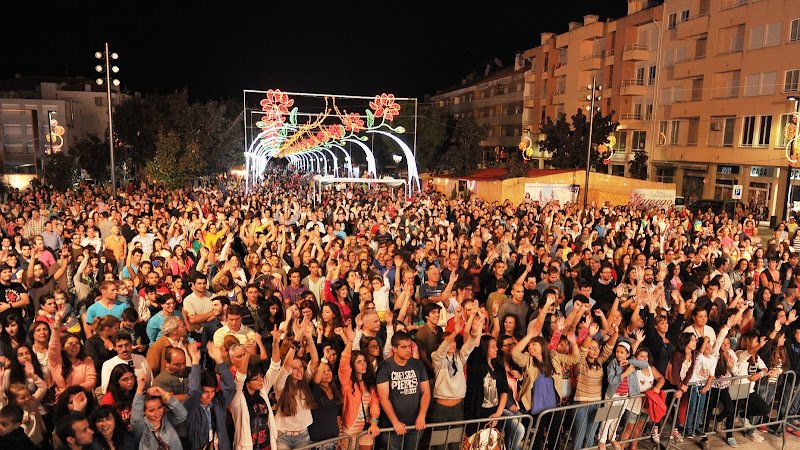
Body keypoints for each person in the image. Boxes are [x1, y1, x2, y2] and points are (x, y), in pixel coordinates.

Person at [230, 326, 283, 450]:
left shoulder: (262, 390)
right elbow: (240, 378)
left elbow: (275, 367)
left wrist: (275, 344)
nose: (261, 380)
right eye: (256, 378)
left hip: (268, 445)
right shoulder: (238, 398)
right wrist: (247, 353)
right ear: (248, 383)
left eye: (261, 377)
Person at [376, 330, 430, 450]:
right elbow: (383, 397)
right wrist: (395, 422)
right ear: (394, 348)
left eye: (409, 346)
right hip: (392, 425)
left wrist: (422, 416)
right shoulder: (385, 367)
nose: (408, 350)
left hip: (415, 423)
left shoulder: (418, 364)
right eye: (404, 347)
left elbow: (426, 392)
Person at [182, 342, 236, 450]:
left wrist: (219, 360)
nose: (209, 396)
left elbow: (230, 388)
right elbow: (195, 392)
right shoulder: (191, 407)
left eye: (212, 391)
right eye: (205, 392)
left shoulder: (218, 403)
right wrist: (195, 361)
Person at [130, 370, 188, 450]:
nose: (157, 413)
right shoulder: (141, 427)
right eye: (151, 410)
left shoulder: (167, 419)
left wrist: (164, 394)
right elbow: (136, 419)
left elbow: (182, 414)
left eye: (160, 407)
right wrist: (140, 388)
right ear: (143, 411)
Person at [101, 364, 137, 431]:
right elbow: (107, 422)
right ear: (117, 382)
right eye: (125, 379)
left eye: (132, 377)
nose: (130, 381)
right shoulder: (109, 399)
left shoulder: (137, 392)